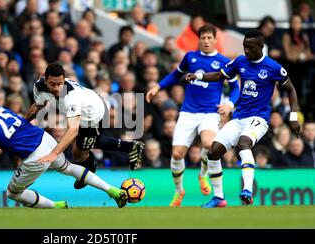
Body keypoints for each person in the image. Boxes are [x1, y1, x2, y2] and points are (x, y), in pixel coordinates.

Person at [0, 102, 127, 208]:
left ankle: (56, 207)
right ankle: (113, 191)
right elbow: (22, 119)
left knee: (13, 193)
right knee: (68, 168)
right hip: (44, 137)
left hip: (33, 154)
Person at [185, 29, 301, 207]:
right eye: (244, 47)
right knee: (213, 152)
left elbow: (291, 90)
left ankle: (247, 190)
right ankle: (218, 198)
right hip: (239, 118)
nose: (246, 51)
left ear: (261, 47)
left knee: (243, 143)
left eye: (250, 47)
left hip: (259, 118)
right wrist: (198, 76)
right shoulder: (240, 61)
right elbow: (219, 75)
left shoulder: (273, 67)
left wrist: (293, 117)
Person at [146, 24, 240, 207]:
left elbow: (236, 87)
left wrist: (229, 104)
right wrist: (158, 87)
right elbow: (175, 75)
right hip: (188, 112)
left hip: (210, 113)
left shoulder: (224, 62)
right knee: (177, 154)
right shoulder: (190, 57)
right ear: (199, 39)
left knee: (208, 144)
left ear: (215, 40)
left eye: (209, 38)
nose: (205, 41)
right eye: (202, 38)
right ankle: (179, 191)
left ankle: (203, 173)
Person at [24, 63, 144, 190]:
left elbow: (73, 129)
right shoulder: (39, 86)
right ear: (45, 79)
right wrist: (21, 123)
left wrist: (54, 154)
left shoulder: (70, 97)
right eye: (52, 84)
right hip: (84, 113)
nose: (57, 88)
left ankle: (90, 170)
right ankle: (131, 147)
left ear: (63, 79)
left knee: (79, 152)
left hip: (95, 116)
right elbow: (37, 105)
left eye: (60, 83)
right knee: (83, 147)